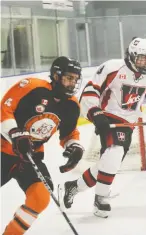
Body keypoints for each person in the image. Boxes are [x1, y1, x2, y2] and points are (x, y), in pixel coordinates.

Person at [58, 38, 146, 218]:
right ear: (131, 56)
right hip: (108, 117)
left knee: (109, 163)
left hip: (128, 123)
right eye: (141, 58)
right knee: (114, 153)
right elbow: (91, 91)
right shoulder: (112, 67)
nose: (145, 62)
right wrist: (96, 114)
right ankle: (101, 199)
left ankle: (74, 186)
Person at [1, 56, 84, 234]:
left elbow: (69, 132)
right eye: (69, 78)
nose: (72, 84)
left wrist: (74, 145)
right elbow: (4, 110)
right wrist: (16, 134)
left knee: (40, 197)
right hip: (3, 150)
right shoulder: (32, 88)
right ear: (56, 75)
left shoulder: (71, 106)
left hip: (31, 156)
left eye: (75, 80)